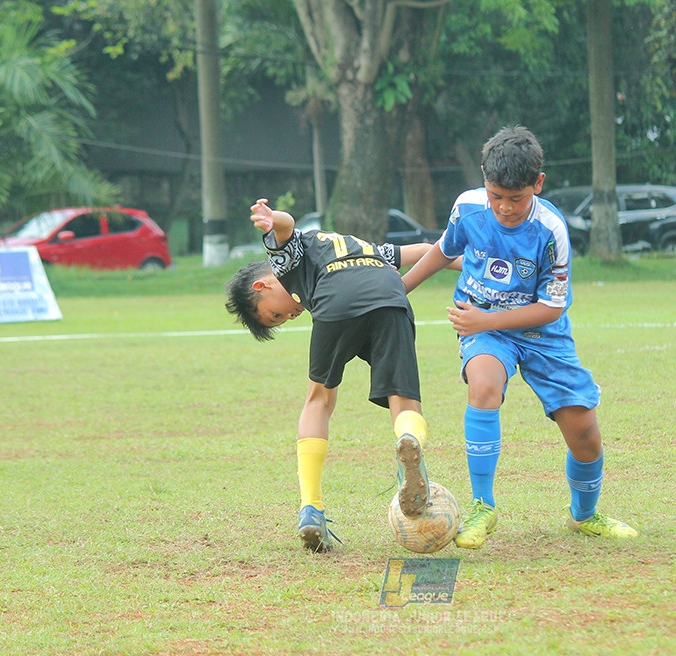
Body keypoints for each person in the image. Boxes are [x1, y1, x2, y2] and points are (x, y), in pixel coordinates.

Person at [402, 125, 637, 549]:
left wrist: (485, 323)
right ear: (483, 181)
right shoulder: (468, 207)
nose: (505, 208)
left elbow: (551, 307)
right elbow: (442, 249)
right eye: (496, 196)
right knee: (485, 383)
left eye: (516, 198)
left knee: (585, 435)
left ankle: (585, 515)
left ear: (538, 185)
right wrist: (400, 288)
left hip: (542, 333)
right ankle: (483, 506)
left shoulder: (551, 230)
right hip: (484, 322)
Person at [226, 199, 437, 553]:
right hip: (388, 291)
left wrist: (270, 218)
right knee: (404, 397)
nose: (289, 317)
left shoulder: (287, 260)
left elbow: (286, 224)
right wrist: (472, 260)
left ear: (262, 286)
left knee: (319, 398)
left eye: (274, 316)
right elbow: (430, 251)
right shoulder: (348, 242)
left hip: (335, 296)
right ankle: (409, 450)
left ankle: (311, 507)